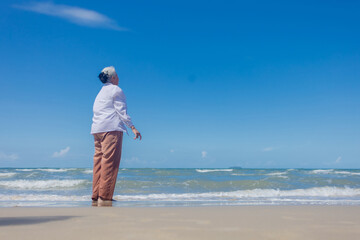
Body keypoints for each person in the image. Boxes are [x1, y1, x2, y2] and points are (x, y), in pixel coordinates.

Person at [90, 66, 141, 207]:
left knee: (99, 163)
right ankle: (105, 197)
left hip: (97, 130)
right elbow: (121, 111)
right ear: (112, 77)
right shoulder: (116, 90)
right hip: (111, 129)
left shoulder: (100, 93)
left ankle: (96, 196)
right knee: (109, 163)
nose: (118, 78)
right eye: (117, 76)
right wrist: (133, 127)